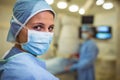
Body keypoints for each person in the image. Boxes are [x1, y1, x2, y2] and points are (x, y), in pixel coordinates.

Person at [0, 0, 59, 80]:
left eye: (50, 28)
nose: (47, 34)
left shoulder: (12, 55)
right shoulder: (28, 73)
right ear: (17, 28)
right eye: (38, 27)